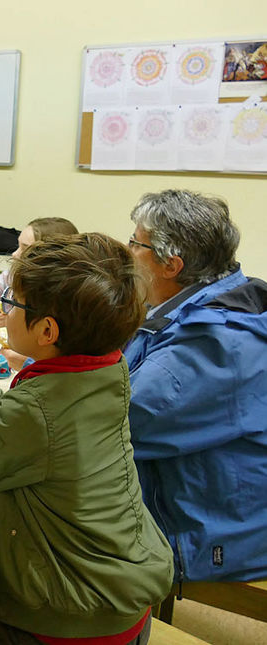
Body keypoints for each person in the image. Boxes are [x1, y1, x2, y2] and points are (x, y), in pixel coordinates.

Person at [0, 233, 173, 643]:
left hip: (74, 619)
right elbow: (17, 431)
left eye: (11, 302)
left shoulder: (38, 410)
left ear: (47, 330)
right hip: (119, 590)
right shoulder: (106, 368)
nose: (3, 308)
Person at [125, 189, 267, 584]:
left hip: (219, 530)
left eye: (136, 243)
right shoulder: (205, 302)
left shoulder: (214, 343)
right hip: (207, 500)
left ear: (171, 265)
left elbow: (117, 423)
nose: (127, 250)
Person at [0, 217, 78, 330]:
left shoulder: (71, 293)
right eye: (18, 245)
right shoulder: (11, 277)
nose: (14, 254)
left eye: (25, 248)